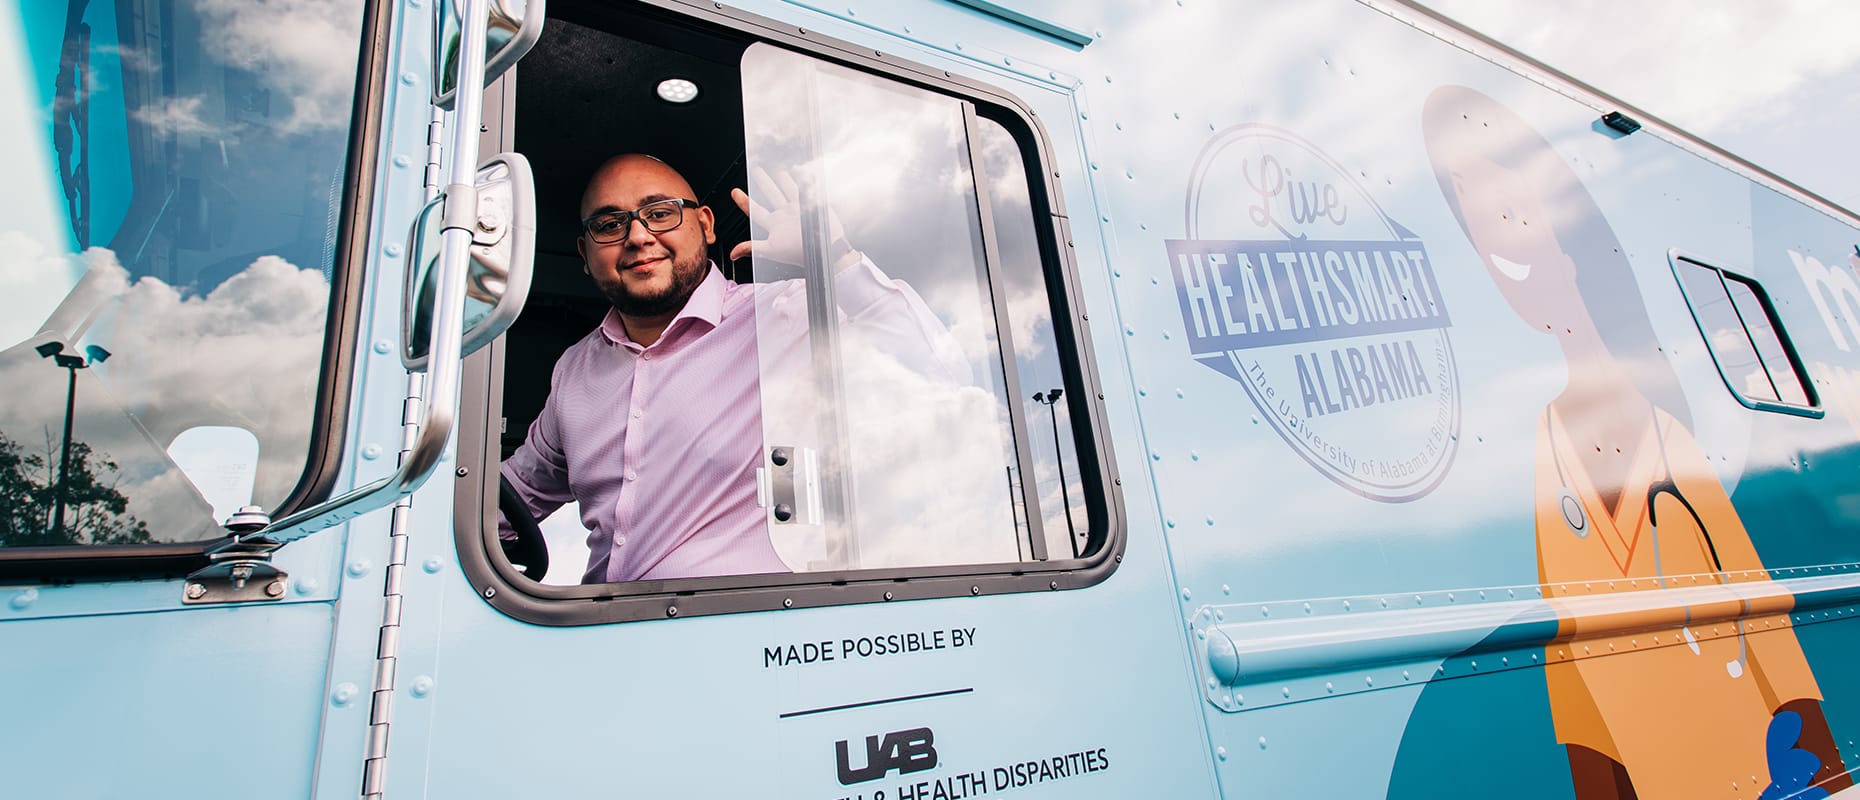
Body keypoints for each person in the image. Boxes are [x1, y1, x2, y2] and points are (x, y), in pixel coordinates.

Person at [1421, 86, 1849, 799]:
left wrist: (1825, 775)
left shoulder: (1667, 435)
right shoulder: (1545, 447)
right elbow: (1572, 672)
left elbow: (1764, 619)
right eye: (1469, 205)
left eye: (1506, 192)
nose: (1493, 230)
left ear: (1571, 230)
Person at [498, 154, 972, 584]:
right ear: (584, 254)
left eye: (660, 213)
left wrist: (837, 260)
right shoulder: (574, 371)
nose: (638, 236)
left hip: (748, 639)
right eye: (609, 224)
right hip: (600, 639)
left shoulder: (786, 314)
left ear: (705, 225)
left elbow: (940, 374)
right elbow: (515, 492)